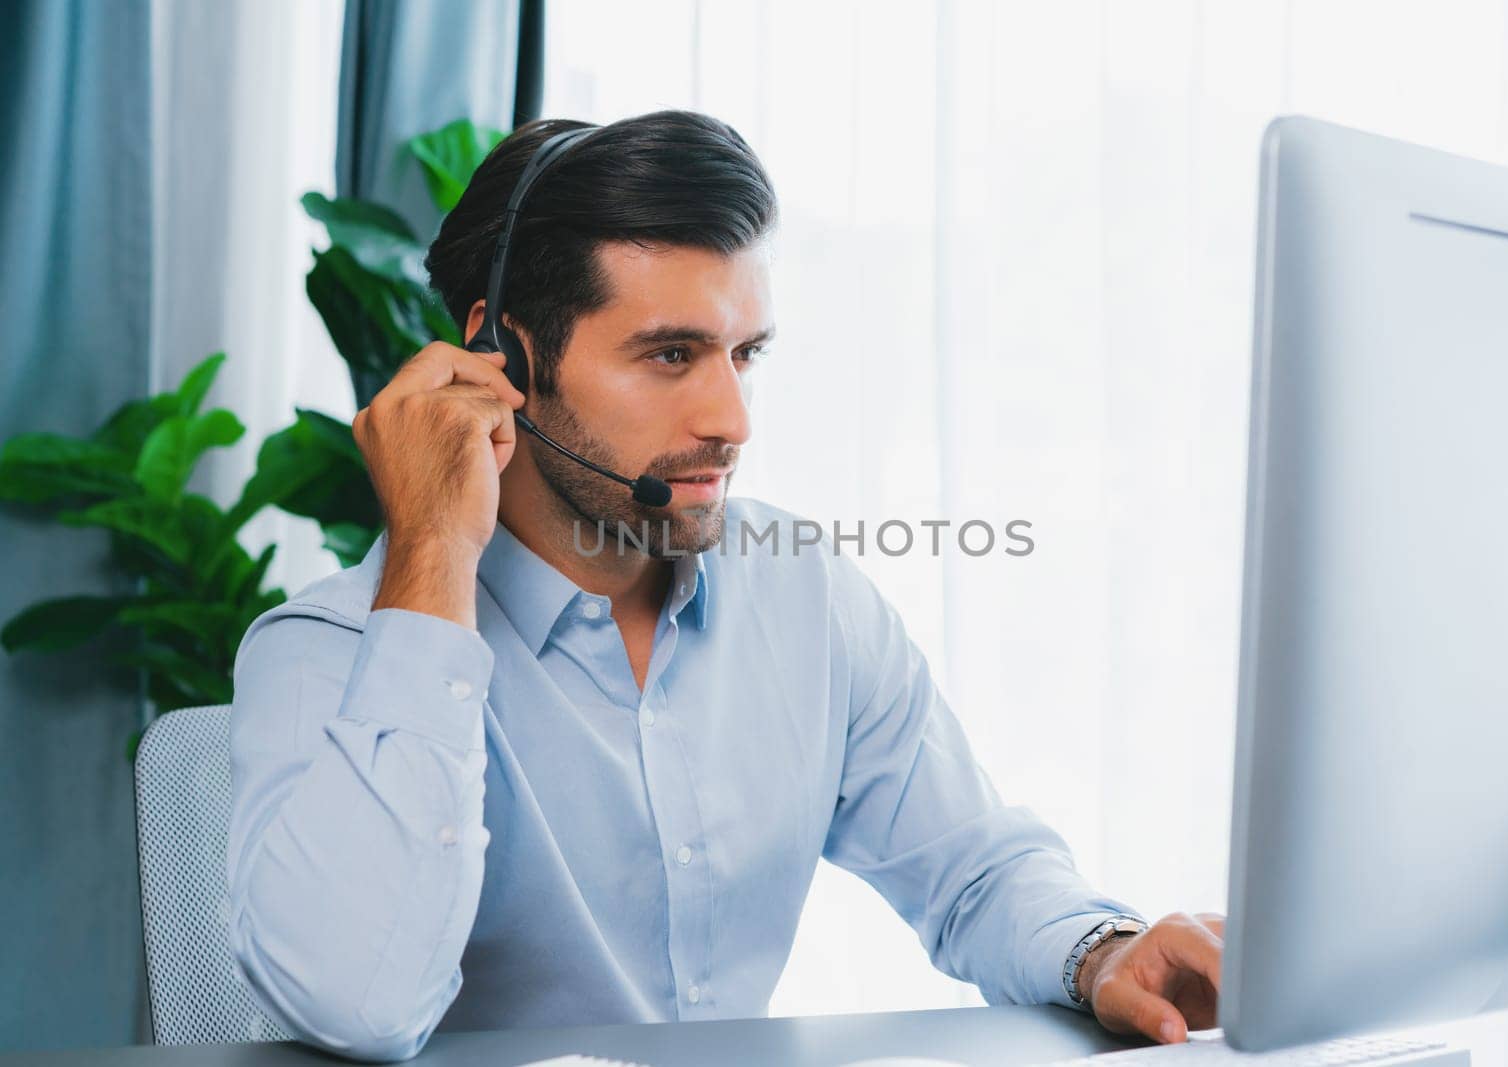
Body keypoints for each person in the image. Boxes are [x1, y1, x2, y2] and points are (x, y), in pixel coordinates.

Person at [227, 110, 1224, 1063]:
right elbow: (359, 1004)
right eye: (671, 354)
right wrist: (436, 545)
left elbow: (971, 867)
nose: (732, 417)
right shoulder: (329, 651)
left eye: (745, 354)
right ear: (504, 356)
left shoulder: (804, 595)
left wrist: (1101, 950)